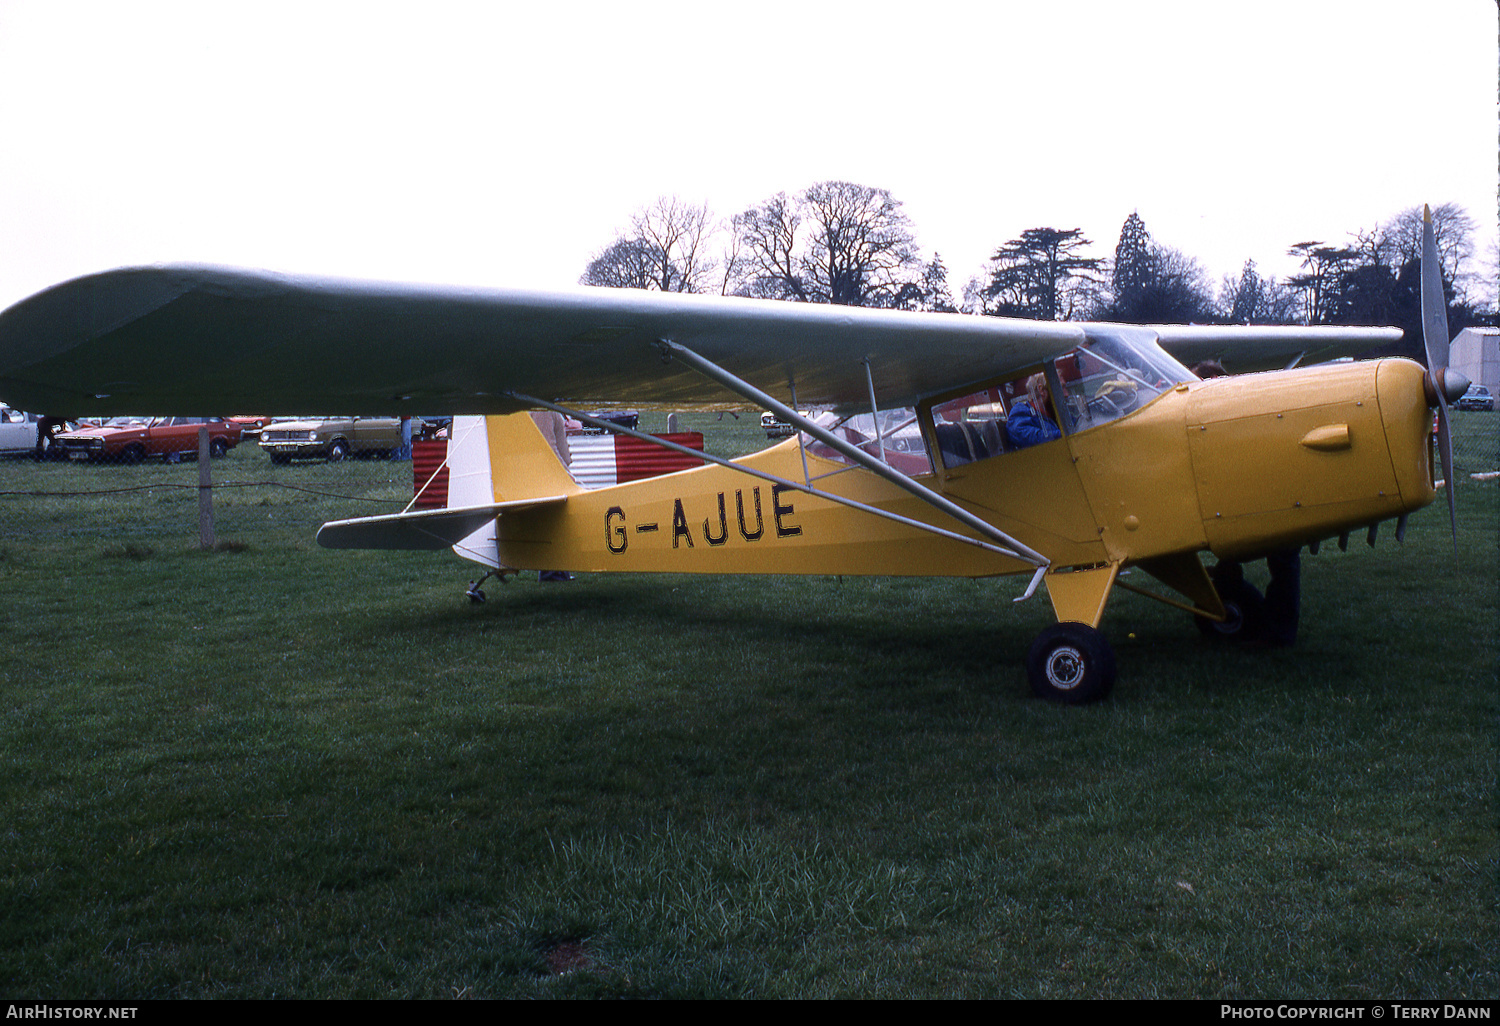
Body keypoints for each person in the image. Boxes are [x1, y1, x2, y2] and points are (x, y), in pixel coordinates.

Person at [1192, 360, 1299, 647]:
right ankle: (1232, 594)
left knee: (1284, 559)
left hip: (1275, 492)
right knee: (1281, 559)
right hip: (1266, 492)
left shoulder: (1230, 412)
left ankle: (1278, 633)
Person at [1006, 373, 1061, 449]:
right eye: (1061, 388)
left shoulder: (1053, 414)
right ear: (1041, 390)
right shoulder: (1021, 412)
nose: (1066, 394)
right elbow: (1033, 438)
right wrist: (1066, 433)